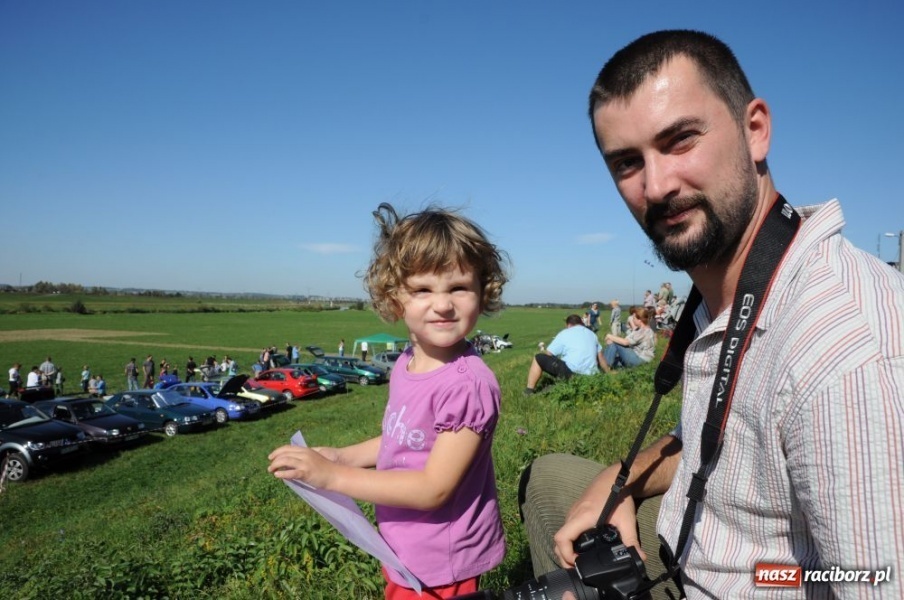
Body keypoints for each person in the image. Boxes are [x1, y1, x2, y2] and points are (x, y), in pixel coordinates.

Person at [519, 29, 904, 599]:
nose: (657, 185)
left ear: (755, 131)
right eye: (627, 163)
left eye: (680, 141)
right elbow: (705, 442)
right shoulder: (736, 284)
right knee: (547, 476)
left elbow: (875, 580)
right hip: (687, 541)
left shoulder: (842, 350)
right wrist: (617, 482)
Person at [268, 202, 509, 599]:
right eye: (422, 290)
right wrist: (342, 456)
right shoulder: (407, 363)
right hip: (408, 546)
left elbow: (434, 488)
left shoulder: (467, 386)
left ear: (483, 294)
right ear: (395, 298)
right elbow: (405, 440)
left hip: (442, 560)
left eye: (459, 287)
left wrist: (333, 478)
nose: (443, 303)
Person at [524, 314, 605, 394]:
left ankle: (529, 391)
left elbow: (549, 353)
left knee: (539, 358)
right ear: (581, 323)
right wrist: (608, 372)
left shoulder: (565, 333)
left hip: (573, 375)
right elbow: (600, 357)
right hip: (592, 377)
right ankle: (561, 385)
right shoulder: (592, 334)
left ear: (568, 325)